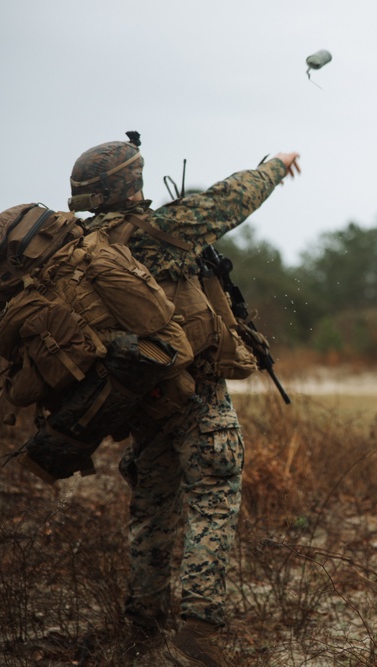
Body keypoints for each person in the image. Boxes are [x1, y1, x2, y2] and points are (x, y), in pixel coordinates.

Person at [67, 132, 300, 666]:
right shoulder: (156, 231)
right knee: (213, 500)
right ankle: (198, 631)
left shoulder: (80, 249)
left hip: (137, 398)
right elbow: (231, 198)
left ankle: (143, 626)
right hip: (195, 392)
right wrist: (276, 166)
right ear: (131, 182)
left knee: (151, 510)